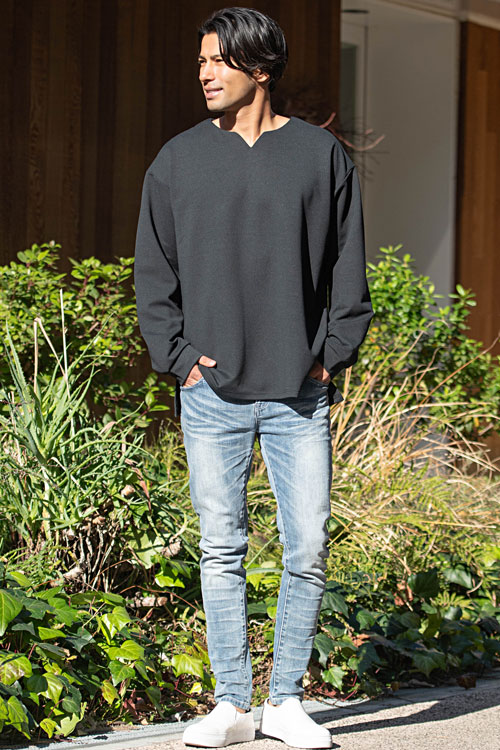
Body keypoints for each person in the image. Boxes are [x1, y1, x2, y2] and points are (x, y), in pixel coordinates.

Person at [134, 6, 373, 748]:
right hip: (211, 393)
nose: (205, 73)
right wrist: (179, 359)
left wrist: (330, 353)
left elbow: (348, 268)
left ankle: (287, 702)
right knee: (221, 550)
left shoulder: (319, 156)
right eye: (202, 61)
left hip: (299, 392)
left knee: (307, 550)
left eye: (219, 60)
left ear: (259, 69)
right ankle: (233, 705)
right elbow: (153, 275)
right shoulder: (177, 161)